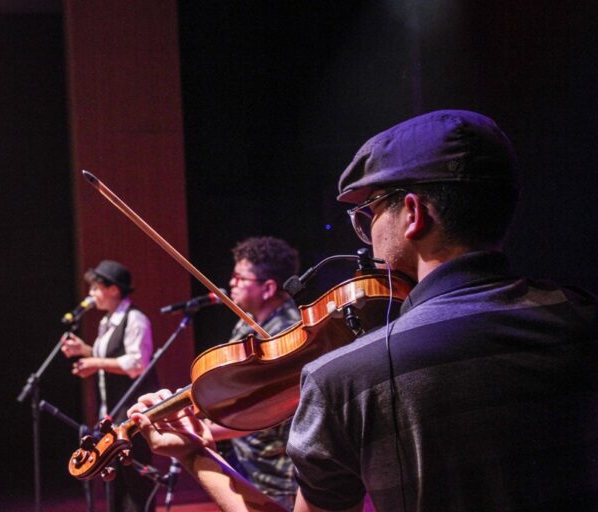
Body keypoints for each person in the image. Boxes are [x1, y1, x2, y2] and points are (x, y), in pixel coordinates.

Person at [127, 110, 598, 511]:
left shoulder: (345, 377)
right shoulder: (581, 316)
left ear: (413, 213)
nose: (368, 232)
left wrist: (194, 456)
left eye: (370, 211)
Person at [211, 236, 301, 510]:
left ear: (268, 288)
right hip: (248, 464)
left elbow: (267, 411)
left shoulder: (287, 333)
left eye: (240, 278)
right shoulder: (246, 324)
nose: (231, 283)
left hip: (280, 474)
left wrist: (206, 431)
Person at [61, 259, 158, 512]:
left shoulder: (135, 319)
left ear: (114, 289)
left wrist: (95, 362)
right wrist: (85, 350)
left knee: (136, 482)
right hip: (111, 413)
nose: (91, 294)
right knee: (114, 482)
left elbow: (137, 363)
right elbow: (110, 355)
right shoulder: (107, 321)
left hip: (132, 414)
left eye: (96, 288)